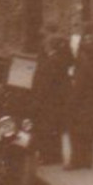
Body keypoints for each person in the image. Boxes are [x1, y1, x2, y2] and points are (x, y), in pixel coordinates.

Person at [66, 36, 93, 170]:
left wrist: (71, 103)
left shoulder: (85, 68)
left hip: (81, 103)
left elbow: (78, 88)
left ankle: (75, 161)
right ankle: (88, 160)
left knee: (75, 131)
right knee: (89, 131)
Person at [31, 32, 72, 166]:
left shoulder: (52, 61)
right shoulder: (62, 60)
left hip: (49, 100)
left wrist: (37, 98)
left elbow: (45, 83)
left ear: (50, 47)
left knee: (46, 128)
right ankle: (55, 155)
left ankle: (47, 157)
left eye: (46, 45)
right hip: (59, 99)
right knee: (55, 129)